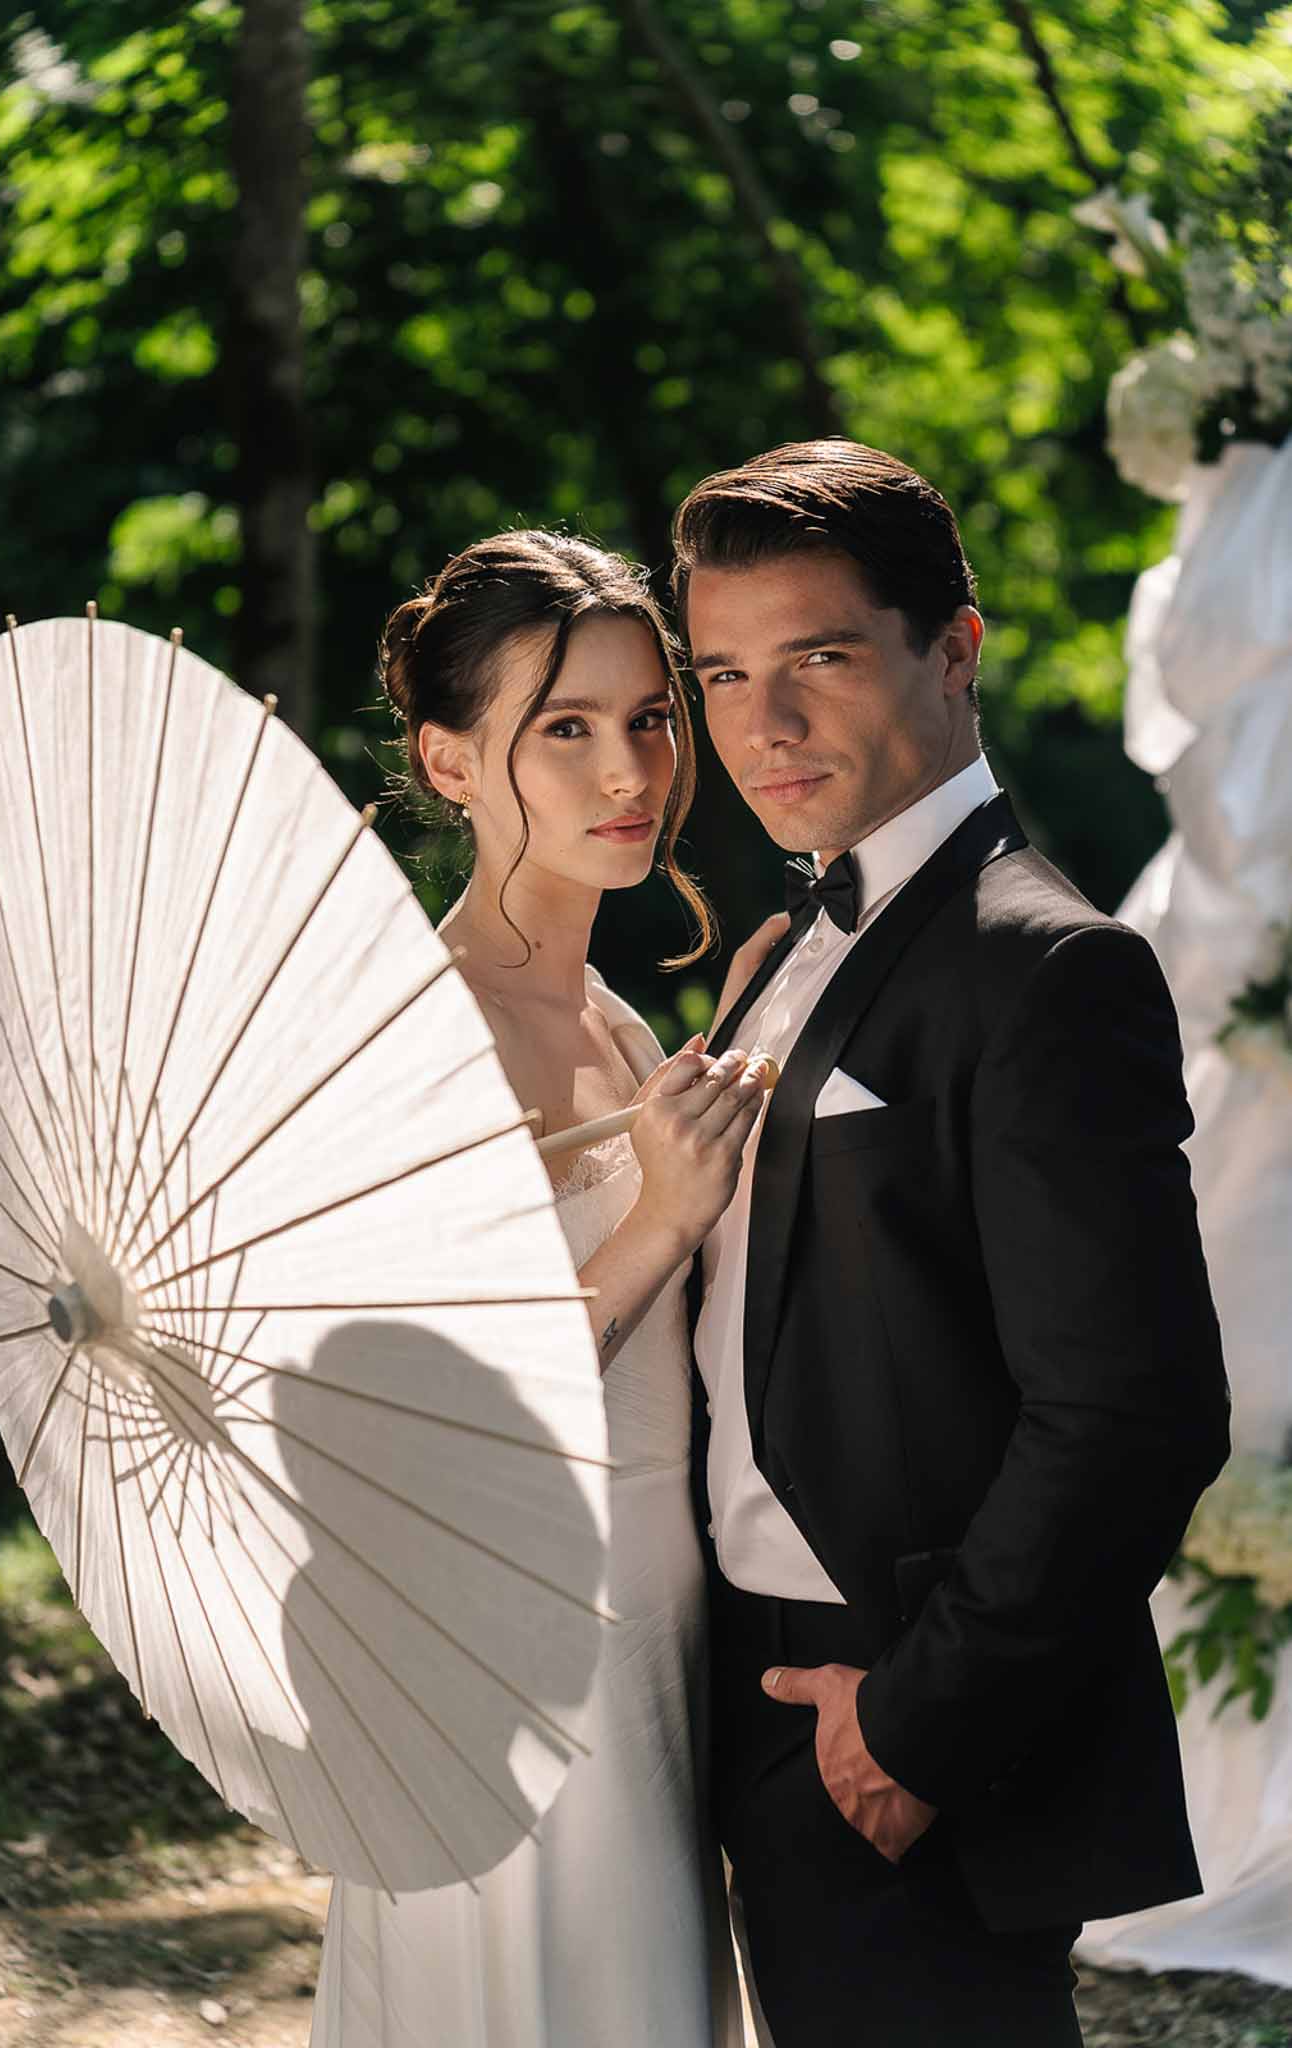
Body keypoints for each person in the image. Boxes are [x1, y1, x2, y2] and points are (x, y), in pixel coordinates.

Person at [674, 438, 1232, 2047]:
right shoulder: (792, 949)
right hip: (738, 1682)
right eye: (723, 676)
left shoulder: (1050, 967)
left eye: (819, 661)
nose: (764, 725)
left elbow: (1131, 1413)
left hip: (902, 1712)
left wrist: (917, 1723)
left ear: (956, 649)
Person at [310, 529, 771, 2048]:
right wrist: (662, 1216)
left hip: (662, 1613)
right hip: (512, 1641)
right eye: (563, 729)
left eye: (650, 715)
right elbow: (450, 1418)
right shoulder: (413, 1037)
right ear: (451, 763)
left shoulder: (615, 1021)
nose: (629, 768)